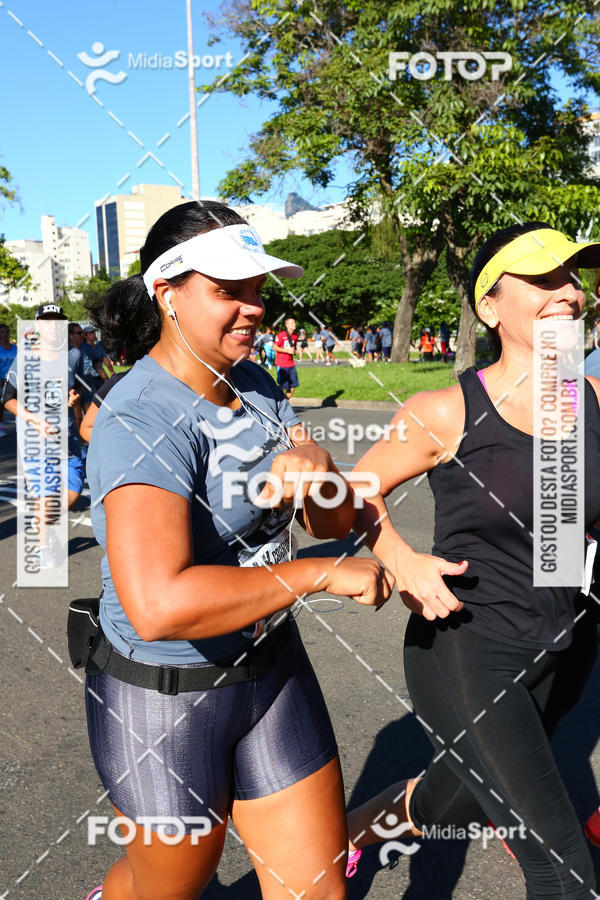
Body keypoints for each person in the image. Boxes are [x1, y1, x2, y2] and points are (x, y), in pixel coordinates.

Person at [82, 200, 394, 900]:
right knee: (165, 890)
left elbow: (332, 517)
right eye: (230, 290)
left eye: (259, 291)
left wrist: (315, 462)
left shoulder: (252, 383)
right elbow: (159, 605)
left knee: (316, 890)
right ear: (167, 293)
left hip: (271, 673)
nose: (254, 308)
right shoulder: (141, 417)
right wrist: (317, 576)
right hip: (165, 698)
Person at [346, 222, 600, 897]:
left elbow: (576, 518)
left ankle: (346, 834)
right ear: (490, 306)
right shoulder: (448, 409)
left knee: (450, 800)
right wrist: (402, 561)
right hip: (468, 646)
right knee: (565, 871)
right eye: (544, 280)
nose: (569, 294)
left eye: (573, 279)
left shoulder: (591, 397)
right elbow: (349, 495)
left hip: (564, 643)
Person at [1, 305, 85, 562]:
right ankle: (44, 547)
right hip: (36, 440)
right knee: (47, 494)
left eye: (57, 321)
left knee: (74, 489)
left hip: (67, 438)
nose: (52, 327)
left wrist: (75, 404)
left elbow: (79, 395)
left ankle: (43, 524)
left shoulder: (73, 356)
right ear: (38, 326)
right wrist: (35, 421)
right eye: (46, 322)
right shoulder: (25, 358)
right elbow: (7, 398)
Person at [274, 315, 299, 400]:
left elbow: (294, 348)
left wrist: (295, 351)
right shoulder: (281, 335)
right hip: (282, 364)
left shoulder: (295, 336)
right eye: (292, 323)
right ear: (287, 325)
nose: (294, 324)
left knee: (292, 388)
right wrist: (287, 350)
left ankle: (284, 405)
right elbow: (275, 347)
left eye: (294, 322)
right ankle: (276, 402)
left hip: (291, 364)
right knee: (283, 387)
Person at [0, 322, 17, 437]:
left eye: (7, 332)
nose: (5, 334)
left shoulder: (15, 348)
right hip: (1, 380)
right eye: (2, 332)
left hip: (14, 380)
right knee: (1, 405)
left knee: (18, 402)